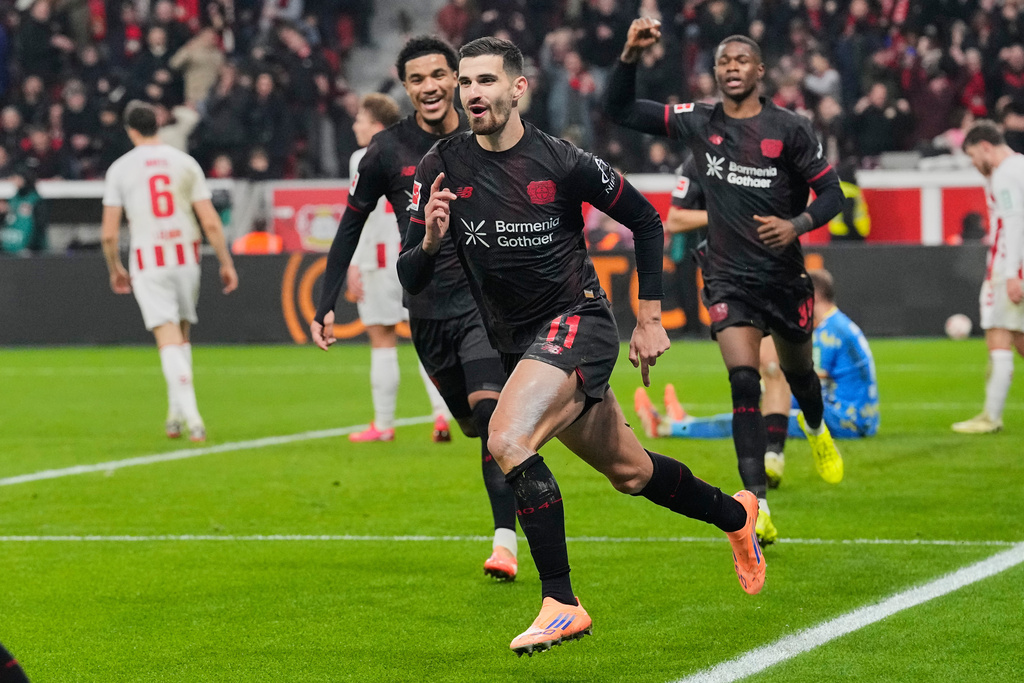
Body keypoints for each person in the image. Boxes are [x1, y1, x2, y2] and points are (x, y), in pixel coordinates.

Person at [399, 36, 764, 657]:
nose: (472, 94)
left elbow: (647, 221)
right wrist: (432, 239)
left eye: (486, 81)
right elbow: (411, 278)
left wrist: (648, 319)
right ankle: (738, 517)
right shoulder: (441, 164)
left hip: (578, 324)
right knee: (631, 472)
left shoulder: (562, 161)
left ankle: (561, 602)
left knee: (506, 440)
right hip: (522, 345)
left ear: (518, 89)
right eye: (466, 83)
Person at [606, 20, 846, 539]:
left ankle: (816, 426)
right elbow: (620, 109)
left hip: (784, 278)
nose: (732, 68)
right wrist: (628, 56)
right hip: (727, 277)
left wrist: (797, 224)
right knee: (744, 382)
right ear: (714, 73)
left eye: (742, 61)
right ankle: (757, 507)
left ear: (760, 72)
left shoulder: (791, 129)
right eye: (723, 62)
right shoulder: (698, 120)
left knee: (800, 375)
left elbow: (833, 196)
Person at [310, 36, 518, 582]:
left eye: (439, 76)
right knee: (473, 424)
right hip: (425, 308)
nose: (429, 87)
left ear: (458, 79)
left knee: (493, 417)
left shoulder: (488, 138)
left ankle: (504, 541)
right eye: (417, 79)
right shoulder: (386, 150)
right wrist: (325, 300)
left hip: (483, 305)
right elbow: (350, 224)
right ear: (405, 87)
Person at [637, 269, 880, 468]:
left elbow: (810, 373)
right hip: (859, 415)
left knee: (756, 417)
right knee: (768, 404)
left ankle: (671, 426)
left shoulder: (829, 332)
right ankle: (683, 420)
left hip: (847, 420)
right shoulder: (840, 323)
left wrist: (769, 377)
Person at [101, 101, 238, 442]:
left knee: (167, 338)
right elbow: (209, 221)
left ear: (131, 130)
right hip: (186, 256)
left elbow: (108, 233)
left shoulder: (121, 169)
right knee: (181, 334)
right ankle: (175, 414)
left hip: (150, 259)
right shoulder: (185, 162)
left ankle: (193, 418)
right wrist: (225, 262)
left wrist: (115, 267)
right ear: (157, 126)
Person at [344, 92, 453, 443]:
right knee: (425, 339)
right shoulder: (420, 154)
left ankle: (384, 424)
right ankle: (441, 415)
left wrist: (355, 263)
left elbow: (360, 218)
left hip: (378, 260)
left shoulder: (364, 157)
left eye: (360, 119)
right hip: (415, 255)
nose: (355, 126)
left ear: (376, 125)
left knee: (382, 339)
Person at [952, 121, 1024, 434]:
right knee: (1020, 339)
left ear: (985, 146)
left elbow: (1013, 222)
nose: (973, 163)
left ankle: (991, 416)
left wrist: (1011, 275)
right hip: (1017, 263)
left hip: (1009, 264)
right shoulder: (1021, 165)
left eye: (972, 155)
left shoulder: (1005, 174)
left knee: (998, 333)